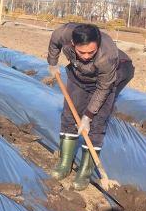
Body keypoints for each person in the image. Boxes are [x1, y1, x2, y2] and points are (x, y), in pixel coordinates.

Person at [47, 22, 134, 190]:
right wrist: (52, 62)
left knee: (98, 119)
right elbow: (54, 41)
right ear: (73, 44)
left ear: (98, 45)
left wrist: (88, 115)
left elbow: (103, 89)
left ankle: (85, 171)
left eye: (91, 52)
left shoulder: (106, 57)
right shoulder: (63, 33)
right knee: (69, 113)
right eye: (82, 52)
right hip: (80, 74)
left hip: (112, 75)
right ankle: (65, 163)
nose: (86, 56)